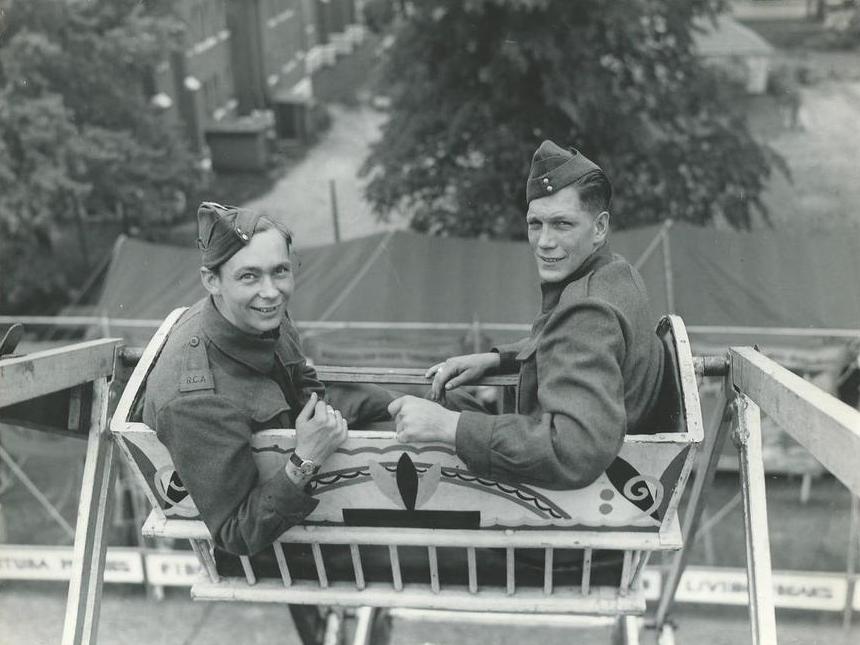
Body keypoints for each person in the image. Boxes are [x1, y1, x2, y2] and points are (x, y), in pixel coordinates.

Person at [142, 202, 394, 644]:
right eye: (249, 276)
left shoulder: (260, 313)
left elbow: (299, 373)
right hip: (276, 542)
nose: (272, 291)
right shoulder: (197, 398)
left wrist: (373, 409)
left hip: (304, 459)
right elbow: (236, 533)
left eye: (280, 271)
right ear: (211, 282)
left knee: (411, 407)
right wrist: (305, 461)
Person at [388, 139, 666, 492]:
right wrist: (497, 359)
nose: (544, 242)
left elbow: (573, 450)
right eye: (536, 224)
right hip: (614, 498)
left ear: (599, 227)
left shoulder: (588, 311)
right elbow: (571, 342)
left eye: (562, 224)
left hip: (569, 523)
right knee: (450, 400)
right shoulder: (615, 274)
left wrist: (449, 427)